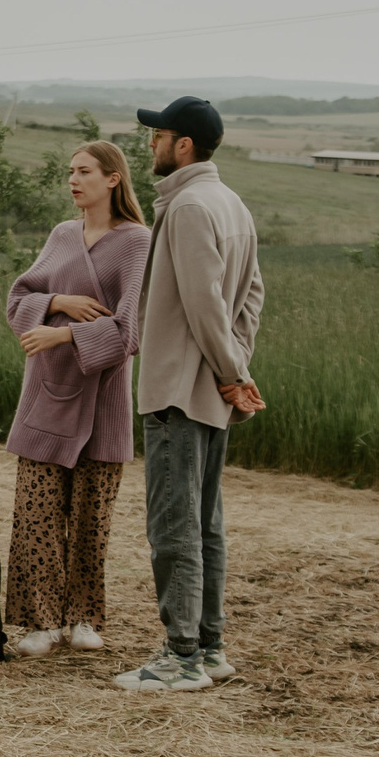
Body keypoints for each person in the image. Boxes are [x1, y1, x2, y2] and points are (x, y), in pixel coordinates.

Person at [116, 96, 266, 693]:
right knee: (204, 522)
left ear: (183, 146)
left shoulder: (187, 207)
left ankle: (180, 657)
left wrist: (229, 372)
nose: (149, 143)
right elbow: (251, 296)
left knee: (173, 524)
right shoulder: (232, 203)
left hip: (179, 386)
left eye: (158, 135)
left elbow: (204, 302)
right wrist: (236, 366)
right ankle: (210, 647)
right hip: (210, 387)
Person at [2, 143, 152, 658]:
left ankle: (84, 617)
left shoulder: (136, 242)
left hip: (103, 400)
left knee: (91, 519)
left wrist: (63, 336)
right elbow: (18, 299)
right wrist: (57, 303)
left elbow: (130, 328)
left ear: (113, 179)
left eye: (84, 171)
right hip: (47, 394)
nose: (73, 180)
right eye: (69, 171)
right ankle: (40, 623)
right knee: (36, 516)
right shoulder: (62, 235)